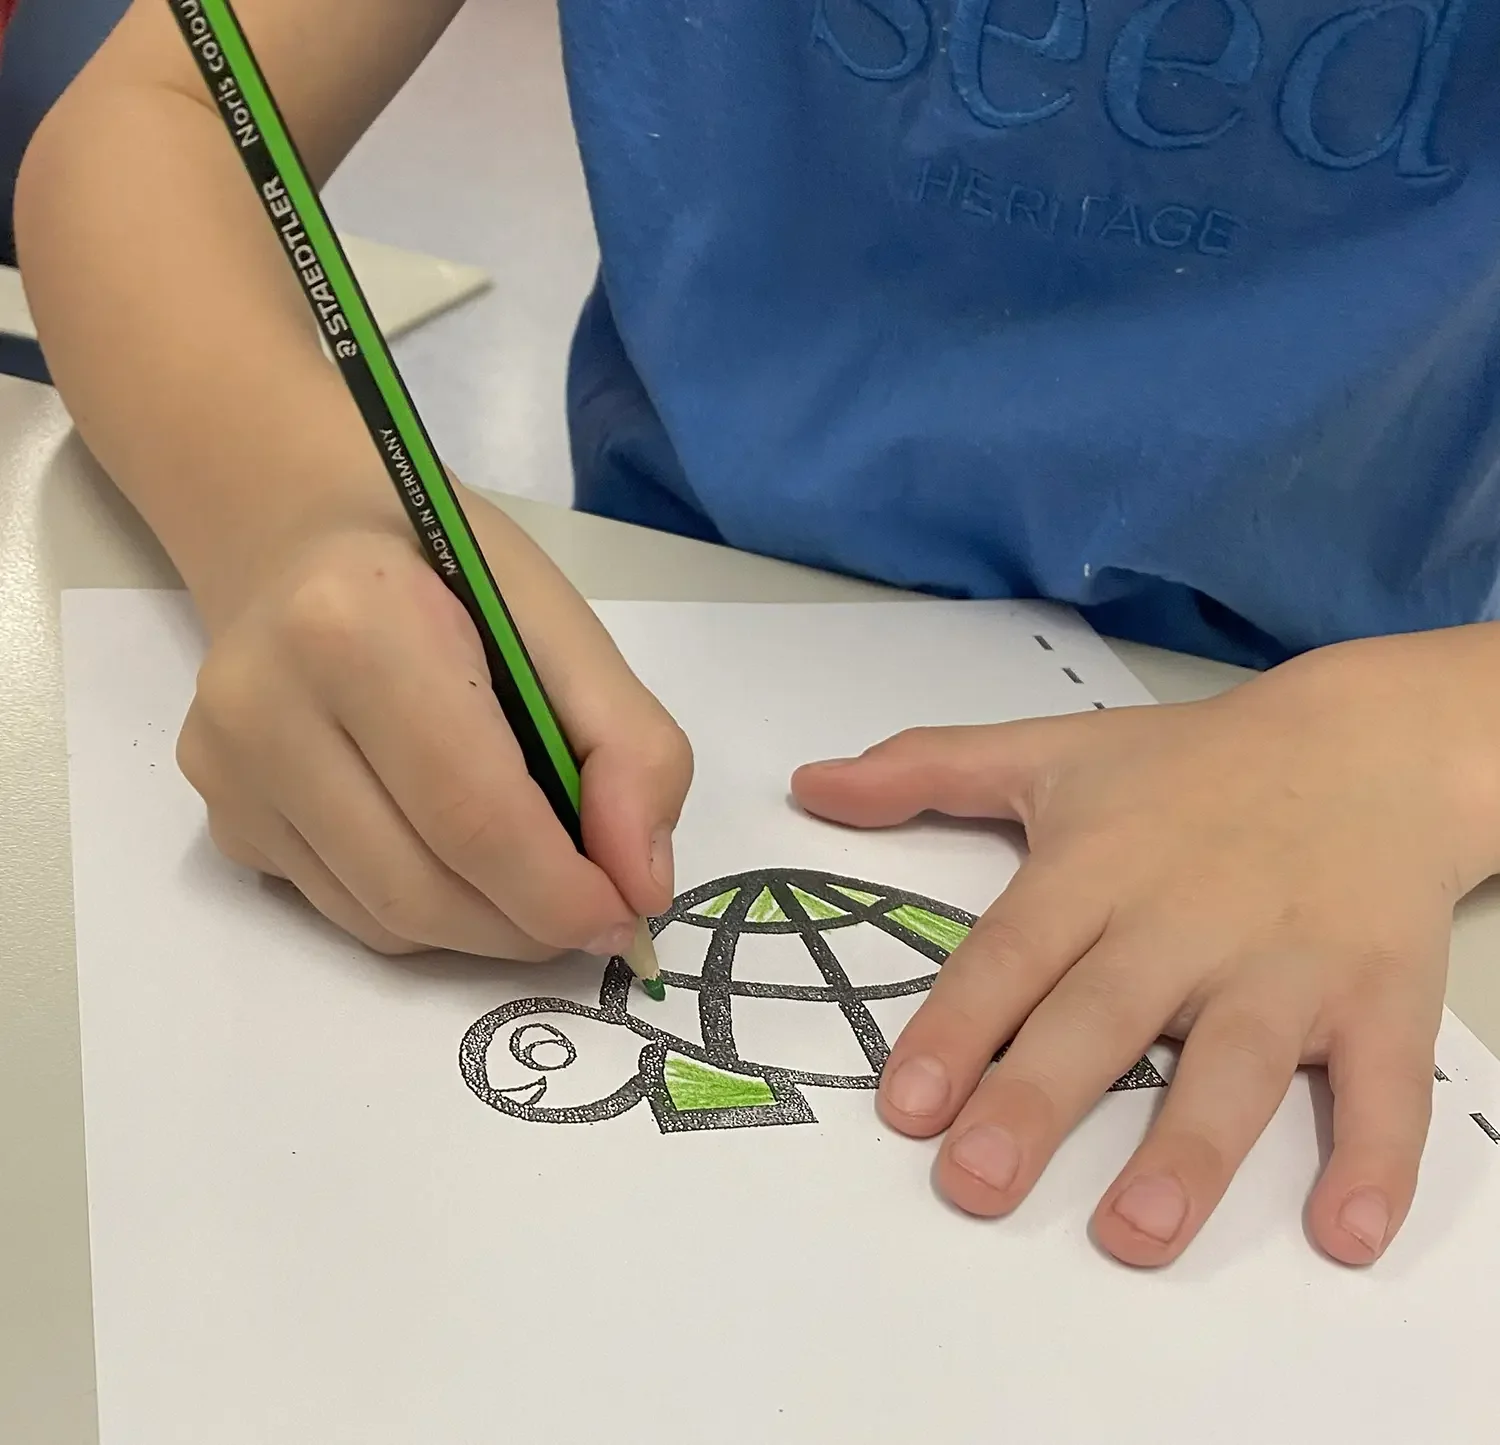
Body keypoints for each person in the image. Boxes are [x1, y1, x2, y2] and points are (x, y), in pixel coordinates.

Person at [15, 0, 1500, 1272]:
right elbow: (158, 118)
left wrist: (1442, 738)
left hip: (1379, 807)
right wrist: (295, 515)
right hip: (676, 652)